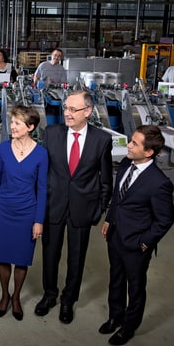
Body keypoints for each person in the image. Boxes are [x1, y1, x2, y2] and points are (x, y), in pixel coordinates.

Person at [35, 90, 113, 324]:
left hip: (83, 208)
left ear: (87, 112)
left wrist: (98, 209)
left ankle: (68, 300)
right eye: (65, 108)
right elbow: (42, 172)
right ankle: (49, 295)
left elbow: (106, 180)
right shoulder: (51, 133)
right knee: (50, 254)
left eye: (72, 109)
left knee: (76, 258)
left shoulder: (101, 140)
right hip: (54, 205)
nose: (66, 113)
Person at [99, 125, 174, 346]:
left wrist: (145, 243)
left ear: (149, 152)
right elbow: (117, 197)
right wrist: (109, 219)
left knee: (135, 287)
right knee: (115, 279)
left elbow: (165, 220)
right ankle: (115, 316)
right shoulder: (125, 164)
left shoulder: (159, 183)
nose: (128, 146)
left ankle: (129, 327)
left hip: (136, 244)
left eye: (134, 143)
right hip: (115, 236)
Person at [0, 106, 48, 321]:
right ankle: (5, 296)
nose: (12, 126)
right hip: (3, 210)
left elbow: (42, 189)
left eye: (17, 123)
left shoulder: (41, 154)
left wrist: (38, 221)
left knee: (21, 259)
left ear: (30, 127)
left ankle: (16, 298)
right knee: (3, 258)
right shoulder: (3, 149)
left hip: (26, 213)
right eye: (12, 122)